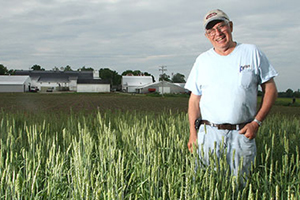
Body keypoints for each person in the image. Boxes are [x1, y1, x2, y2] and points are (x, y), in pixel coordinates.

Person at [185, 9, 278, 179]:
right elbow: (194, 101)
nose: (218, 34)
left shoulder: (252, 52)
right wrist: (193, 134)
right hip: (208, 134)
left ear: (231, 26)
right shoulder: (202, 61)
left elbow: (270, 89)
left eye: (221, 27)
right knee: (207, 185)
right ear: (207, 36)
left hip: (241, 134)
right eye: (211, 31)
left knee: (240, 187)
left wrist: (256, 123)